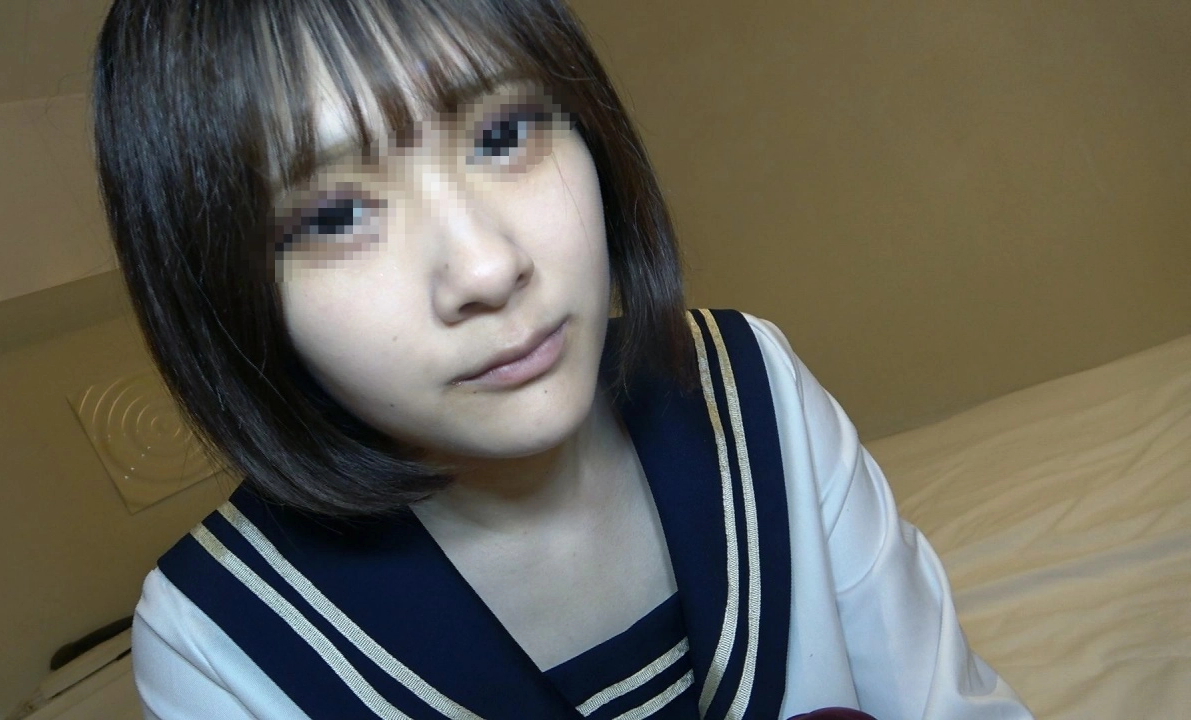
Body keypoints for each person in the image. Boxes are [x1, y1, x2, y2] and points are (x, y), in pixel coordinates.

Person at [91, 1, 1035, 718]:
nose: (488, 267)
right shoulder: (218, 639)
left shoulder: (750, 381)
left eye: (503, 135)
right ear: (226, 295)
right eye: (336, 215)